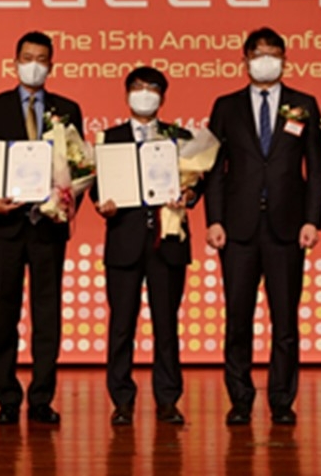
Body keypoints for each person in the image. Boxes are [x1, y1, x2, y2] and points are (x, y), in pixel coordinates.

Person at [204, 27, 321, 426]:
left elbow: (317, 169)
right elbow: (214, 171)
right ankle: (240, 398)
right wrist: (214, 219)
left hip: (287, 228)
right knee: (237, 318)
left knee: (285, 319)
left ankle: (281, 400)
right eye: (259, 53)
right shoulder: (226, 106)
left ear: (285, 60)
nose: (266, 59)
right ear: (245, 59)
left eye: (274, 53)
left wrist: (313, 220)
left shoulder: (303, 103)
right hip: (237, 229)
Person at [0, 30, 83, 426]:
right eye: (27, 57)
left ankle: (41, 397)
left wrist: (66, 204)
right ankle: (5, 397)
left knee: (46, 314)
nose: (33, 65)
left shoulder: (67, 109)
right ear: (15, 61)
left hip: (48, 227)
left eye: (41, 59)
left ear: (51, 65)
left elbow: (79, 168)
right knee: (5, 311)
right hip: (5, 226)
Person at [93, 66, 199, 427]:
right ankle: (121, 400)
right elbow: (97, 188)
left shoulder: (180, 138)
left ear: (162, 97)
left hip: (167, 243)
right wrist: (101, 201)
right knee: (121, 326)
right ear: (126, 95)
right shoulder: (109, 138)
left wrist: (189, 193)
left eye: (152, 88)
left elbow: (197, 181)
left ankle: (168, 400)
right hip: (124, 242)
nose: (145, 93)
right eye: (137, 87)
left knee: (167, 326)